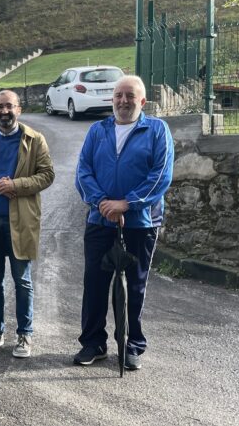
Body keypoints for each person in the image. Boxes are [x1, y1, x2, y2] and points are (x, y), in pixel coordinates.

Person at [73, 75, 174, 371]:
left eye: (130, 95)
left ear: (142, 101)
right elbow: (83, 171)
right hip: (100, 220)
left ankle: (131, 344)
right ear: (112, 99)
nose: (123, 101)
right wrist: (102, 203)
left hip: (140, 223)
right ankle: (93, 343)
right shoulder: (97, 130)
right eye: (118, 95)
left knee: (134, 286)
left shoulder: (157, 130)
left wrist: (128, 204)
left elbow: (160, 174)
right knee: (94, 283)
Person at [0, 90, 55, 358]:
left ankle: (24, 335)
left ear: (19, 109)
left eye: (9, 106)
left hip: (22, 222)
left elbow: (47, 175)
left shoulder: (34, 139)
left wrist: (15, 185)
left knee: (22, 281)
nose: (4, 111)